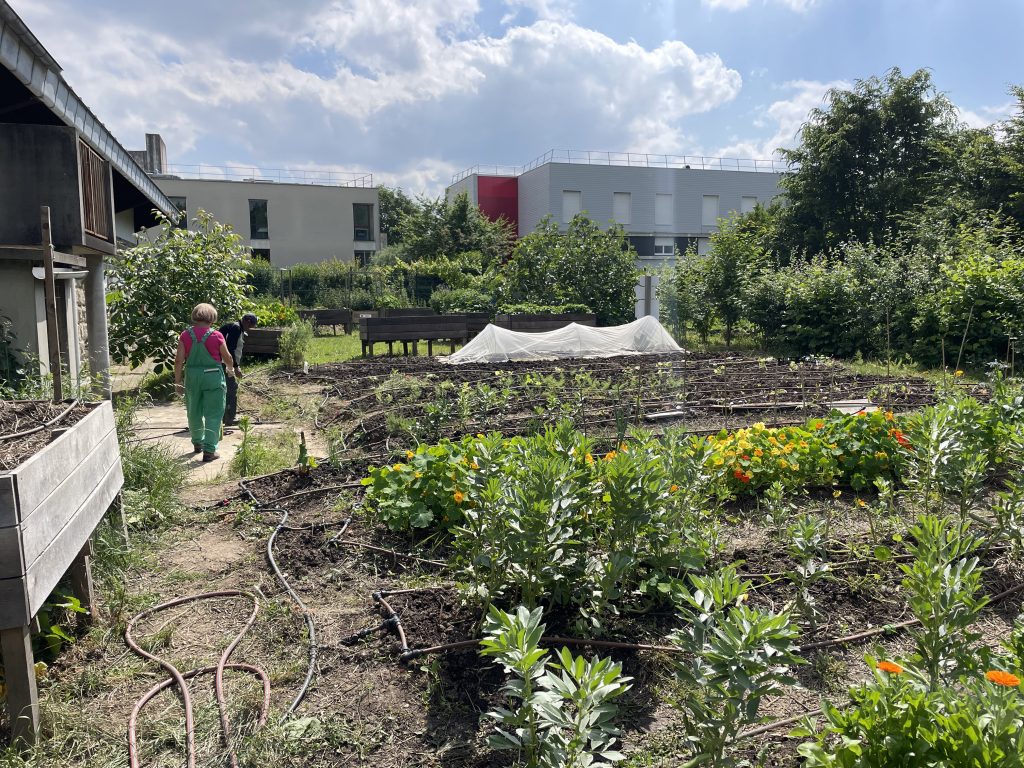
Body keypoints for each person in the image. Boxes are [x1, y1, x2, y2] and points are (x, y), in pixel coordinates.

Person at [173, 303, 235, 462]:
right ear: (212, 319)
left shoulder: (185, 335)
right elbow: (227, 357)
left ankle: (197, 443)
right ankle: (209, 451)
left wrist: (178, 382)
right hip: (213, 377)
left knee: (194, 411)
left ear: (194, 317)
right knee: (213, 413)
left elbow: (179, 360)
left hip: (193, 378)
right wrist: (230, 368)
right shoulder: (216, 335)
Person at [218, 312, 258, 426]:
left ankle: (224, 417)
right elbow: (230, 348)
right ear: (247, 321)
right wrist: (235, 367)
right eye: (251, 326)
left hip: (225, 363)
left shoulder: (236, 327)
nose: (250, 328)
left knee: (226, 389)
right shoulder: (235, 328)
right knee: (231, 389)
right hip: (225, 364)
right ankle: (230, 418)